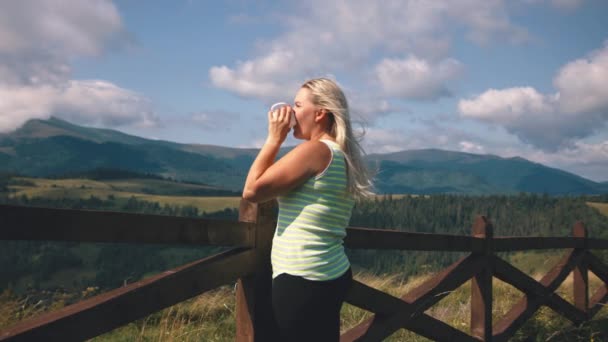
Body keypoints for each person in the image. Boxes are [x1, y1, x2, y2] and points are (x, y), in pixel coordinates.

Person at [242, 77, 373, 341]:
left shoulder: (315, 151)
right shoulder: (342, 155)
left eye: (298, 105)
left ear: (320, 113)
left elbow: (252, 192)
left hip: (302, 275)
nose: (290, 112)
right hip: (330, 271)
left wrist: (273, 139)